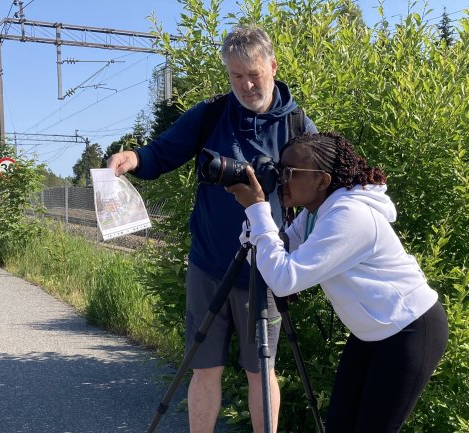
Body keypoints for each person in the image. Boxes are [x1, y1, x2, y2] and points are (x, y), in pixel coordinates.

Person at [107, 25, 316, 433]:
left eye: (253, 74)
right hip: (209, 264)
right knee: (204, 369)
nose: (246, 85)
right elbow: (161, 152)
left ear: (273, 66)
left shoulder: (297, 127)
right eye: (236, 76)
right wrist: (133, 158)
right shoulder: (212, 114)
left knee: (261, 372)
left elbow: (321, 194)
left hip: (265, 269)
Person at [227, 132, 449, 432]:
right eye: (280, 169)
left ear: (322, 180)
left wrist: (257, 210)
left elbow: (284, 280)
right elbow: (269, 261)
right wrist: (255, 216)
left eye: (291, 172)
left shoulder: (349, 216)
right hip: (371, 332)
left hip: (409, 328)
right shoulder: (314, 215)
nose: (281, 179)